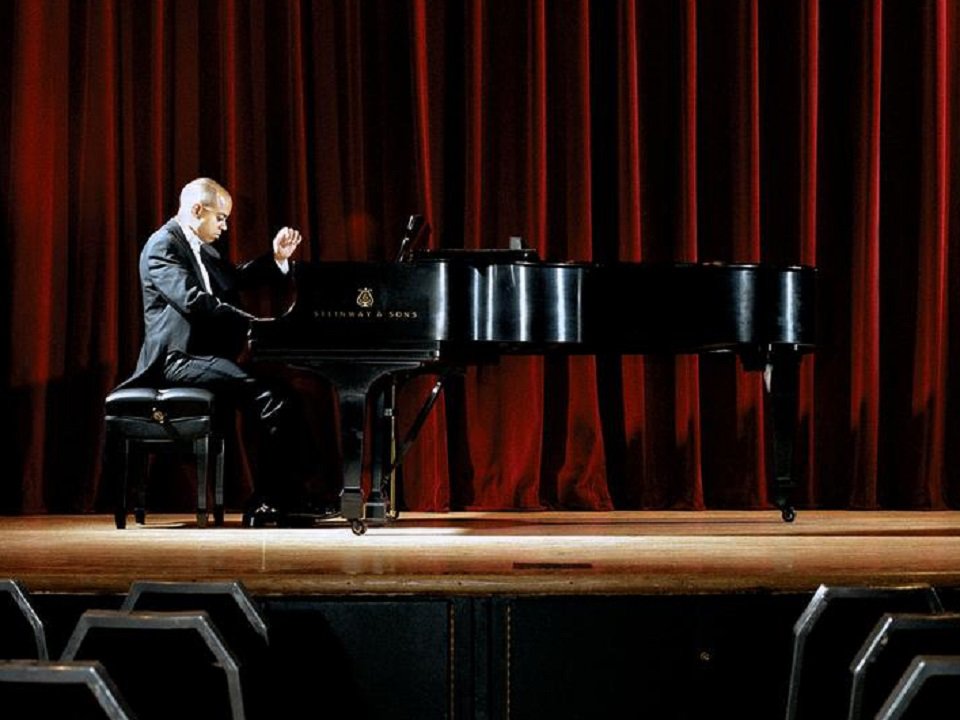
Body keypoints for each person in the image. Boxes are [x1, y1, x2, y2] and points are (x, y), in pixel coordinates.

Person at [117, 177, 306, 527]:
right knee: (268, 396)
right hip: (176, 360)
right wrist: (254, 323)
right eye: (220, 218)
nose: (224, 225)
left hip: (201, 358)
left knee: (280, 394)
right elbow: (193, 300)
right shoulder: (163, 246)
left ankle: (281, 497)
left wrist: (276, 258)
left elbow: (233, 279)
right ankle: (267, 502)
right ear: (197, 210)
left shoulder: (203, 249)